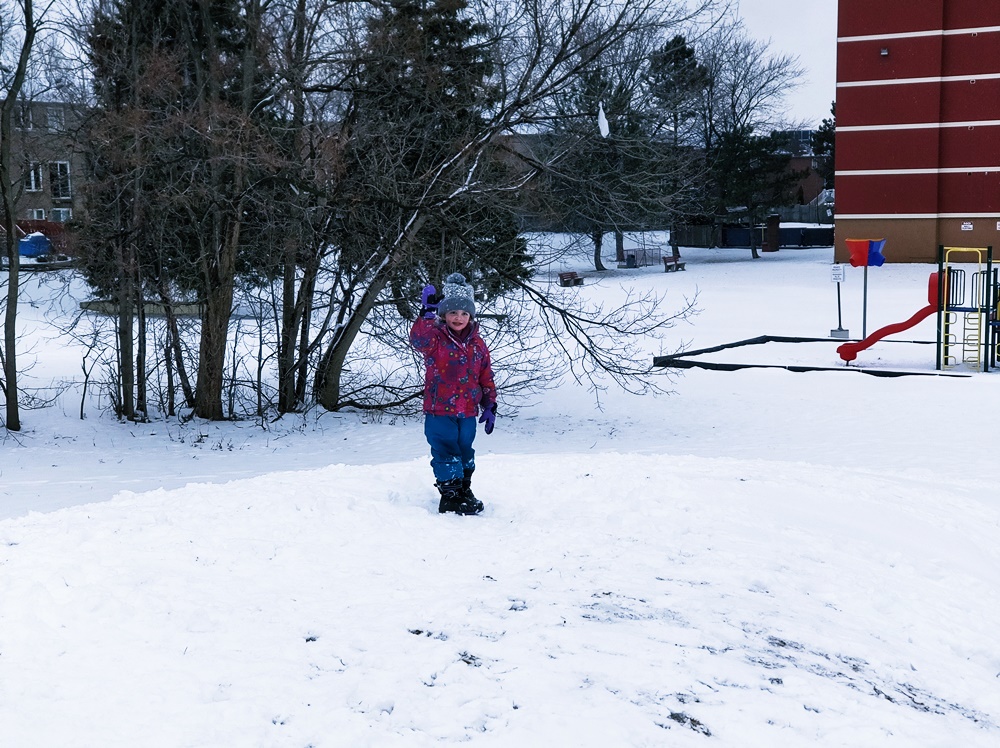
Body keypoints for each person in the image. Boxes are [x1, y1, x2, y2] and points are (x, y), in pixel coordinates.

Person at [410, 272, 497, 515]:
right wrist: (426, 315)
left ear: (471, 316)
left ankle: (463, 490)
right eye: (453, 312)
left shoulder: (478, 344)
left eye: (464, 313)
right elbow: (418, 341)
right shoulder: (435, 339)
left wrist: (490, 404)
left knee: (465, 451)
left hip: (468, 410)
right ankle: (450, 496)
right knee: (446, 450)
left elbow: (486, 375)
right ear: (444, 315)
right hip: (439, 409)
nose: (459, 318)